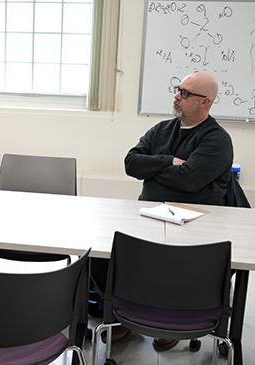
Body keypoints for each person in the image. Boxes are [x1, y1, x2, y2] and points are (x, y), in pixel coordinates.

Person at [125, 71, 233, 351]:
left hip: (193, 225)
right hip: (149, 214)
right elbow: (131, 163)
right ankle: (124, 317)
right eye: (178, 89)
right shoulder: (161, 129)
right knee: (114, 254)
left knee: (175, 265)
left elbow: (190, 179)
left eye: (185, 93)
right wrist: (169, 161)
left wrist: (153, 171)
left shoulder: (217, 140)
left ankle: (173, 321)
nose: (177, 96)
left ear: (205, 102)